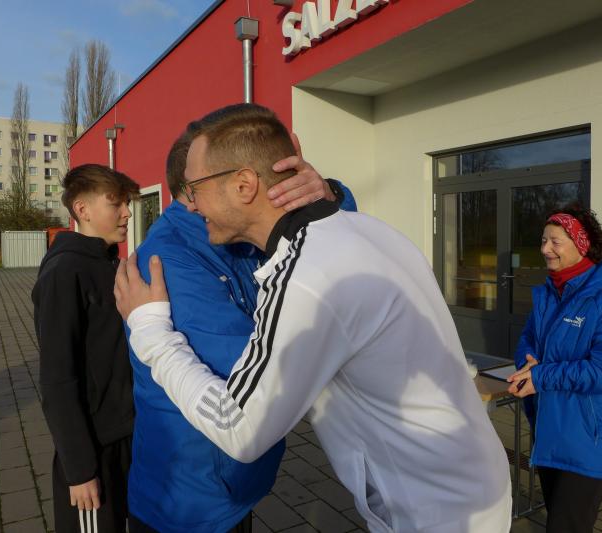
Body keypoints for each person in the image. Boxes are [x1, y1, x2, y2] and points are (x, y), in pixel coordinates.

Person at [115, 103, 512, 532]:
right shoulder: (370, 232)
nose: (190, 205)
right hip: (469, 482)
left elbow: (239, 426)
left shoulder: (305, 278)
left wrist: (151, 332)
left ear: (244, 184)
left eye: (194, 189)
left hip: (431, 511)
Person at [127, 117, 355, 533]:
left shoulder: (233, 235)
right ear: (193, 193)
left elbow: (317, 248)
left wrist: (327, 197)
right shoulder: (169, 259)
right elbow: (253, 383)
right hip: (192, 499)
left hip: (231, 481)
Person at [508, 207, 602, 533]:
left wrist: (541, 376)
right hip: (549, 428)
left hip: (589, 436)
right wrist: (528, 360)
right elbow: (528, 339)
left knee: (566, 525)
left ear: (582, 244)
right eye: (543, 240)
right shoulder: (549, 292)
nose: (545, 249)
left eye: (555, 241)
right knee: (560, 519)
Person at [32, 164, 139, 533]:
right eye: (116, 204)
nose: (127, 213)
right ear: (82, 209)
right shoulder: (64, 272)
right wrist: (80, 470)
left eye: (127, 204)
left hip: (129, 436)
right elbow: (57, 380)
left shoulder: (112, 265)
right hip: (94, 450)